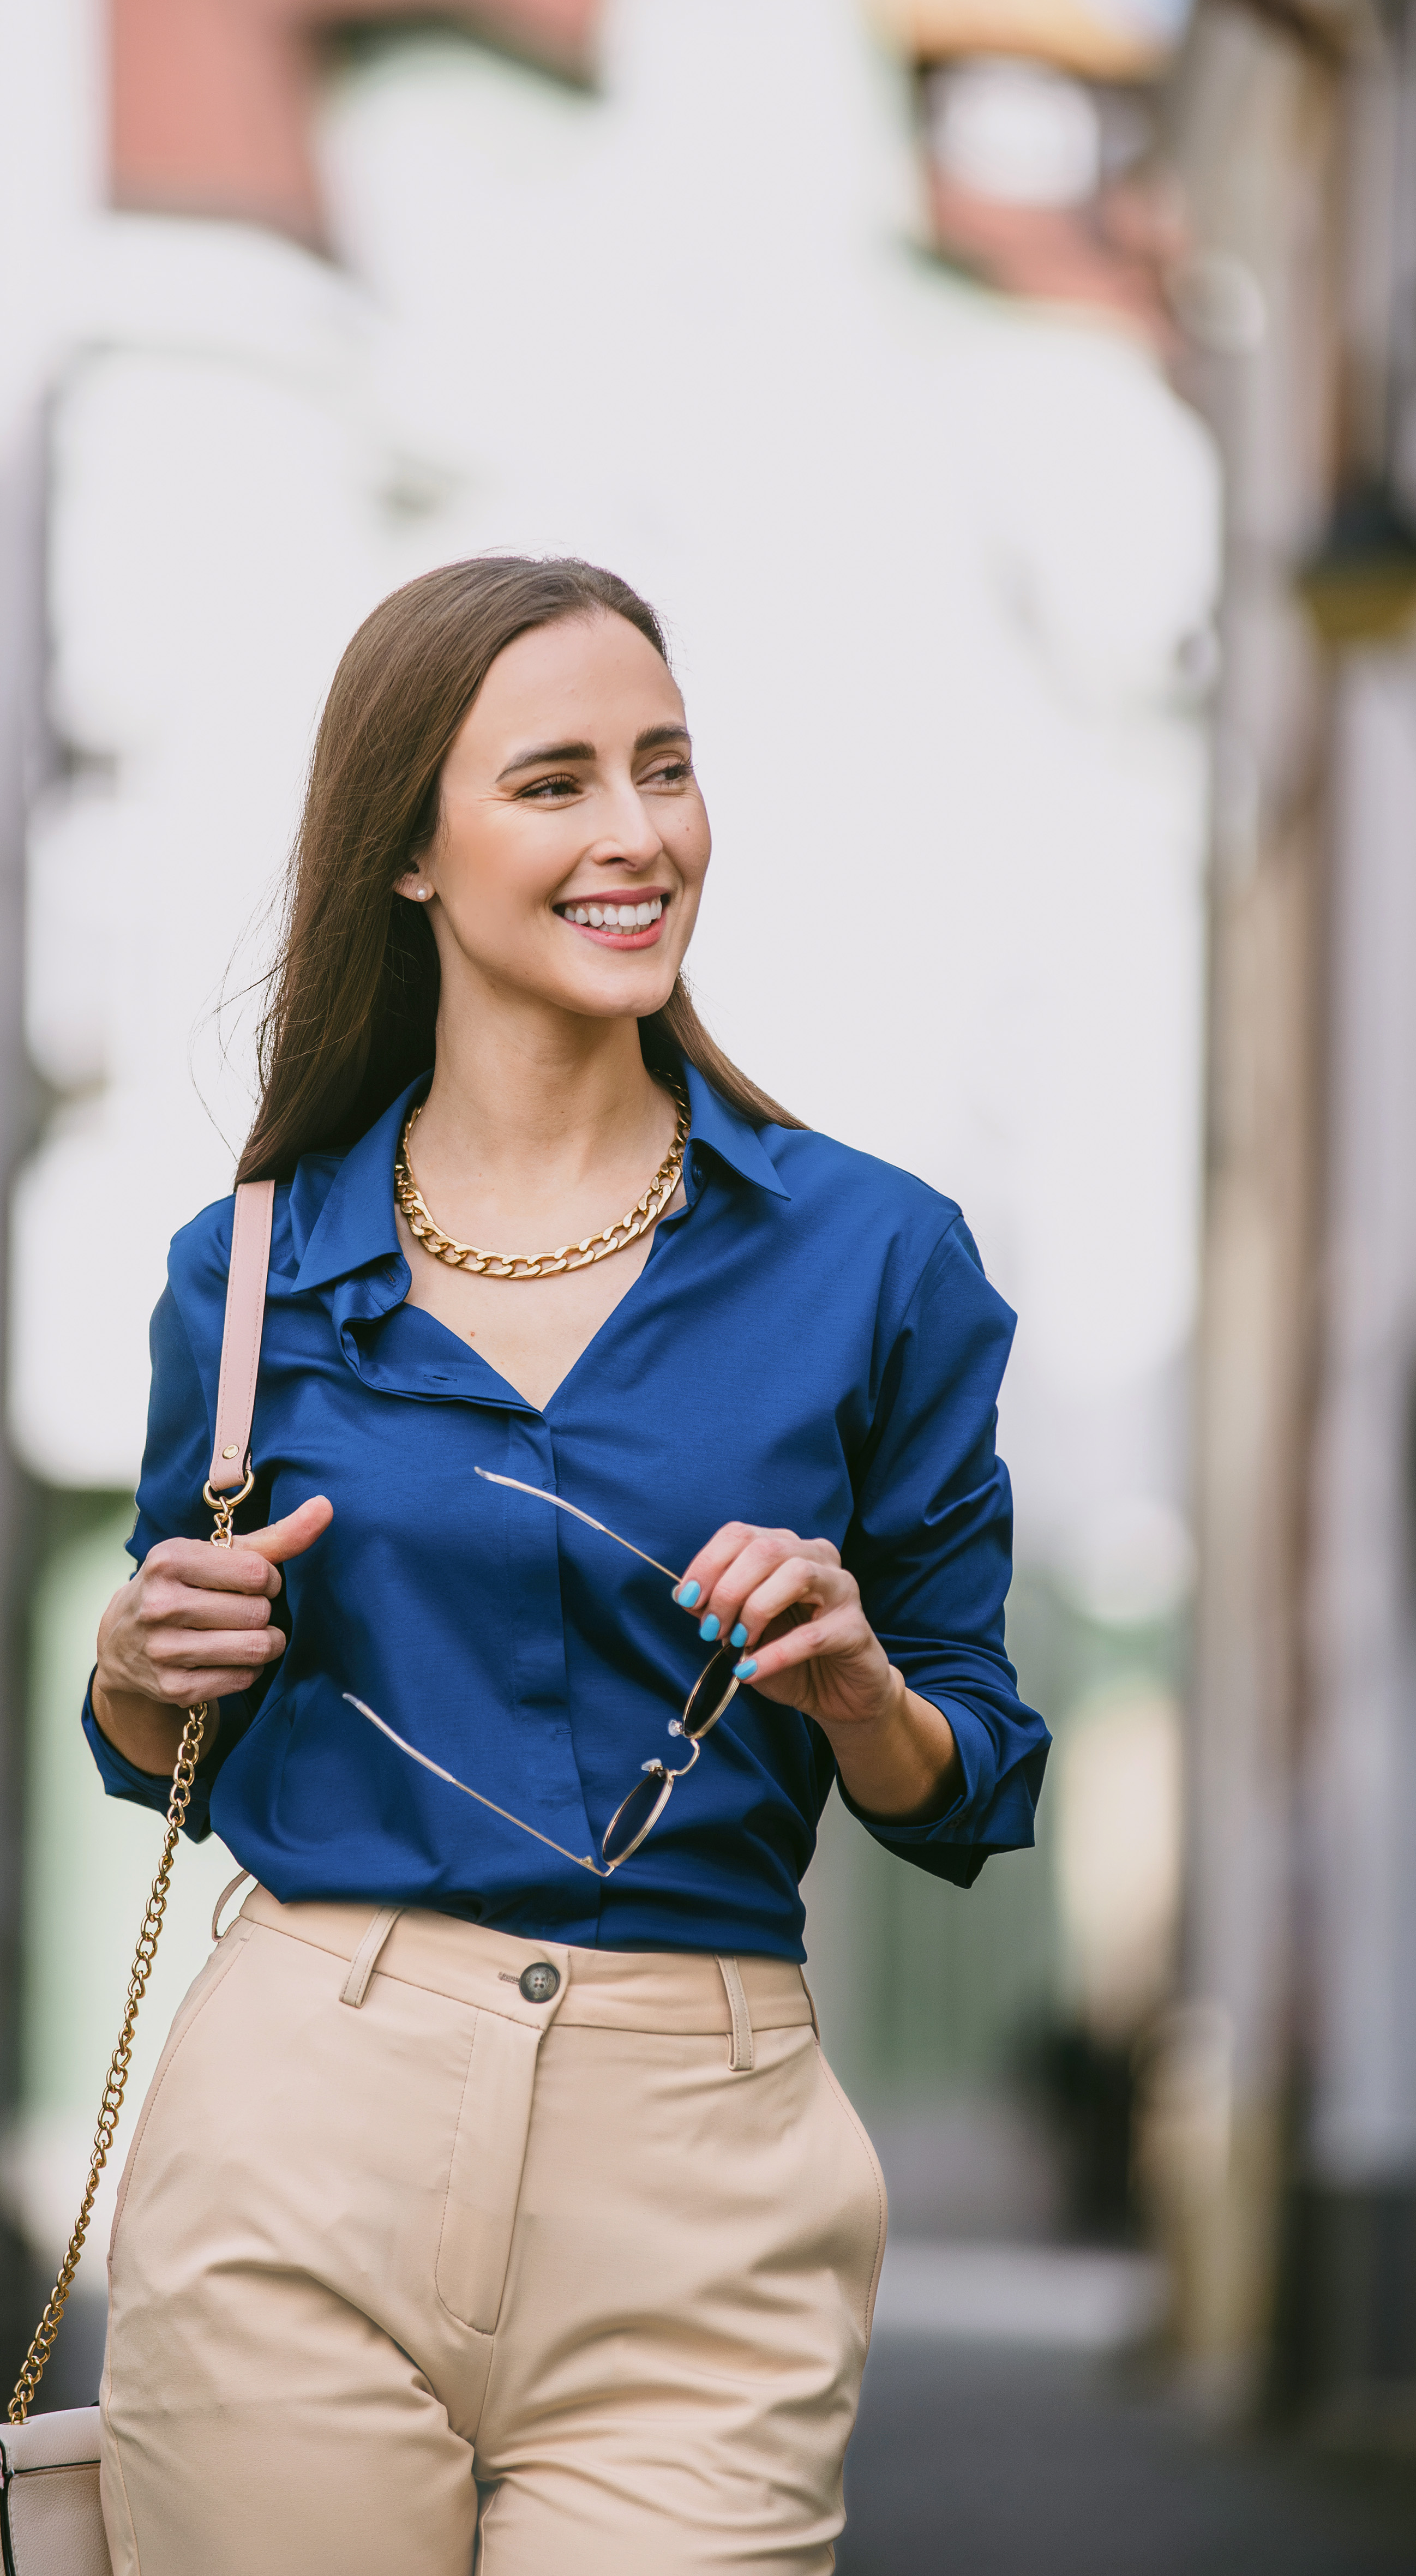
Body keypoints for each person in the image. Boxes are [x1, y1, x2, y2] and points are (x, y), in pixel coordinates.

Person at [85, 556, 1050, 2576]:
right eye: (554, 782)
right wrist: (139, 1655)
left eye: (665, 768)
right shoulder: (247, 1275)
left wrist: (862, 1691)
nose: (637, 835)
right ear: (409, 854)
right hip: (299, 2117)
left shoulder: (876, 1260)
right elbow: (157, 1725)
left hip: (703, 2148)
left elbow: (977, 1768)